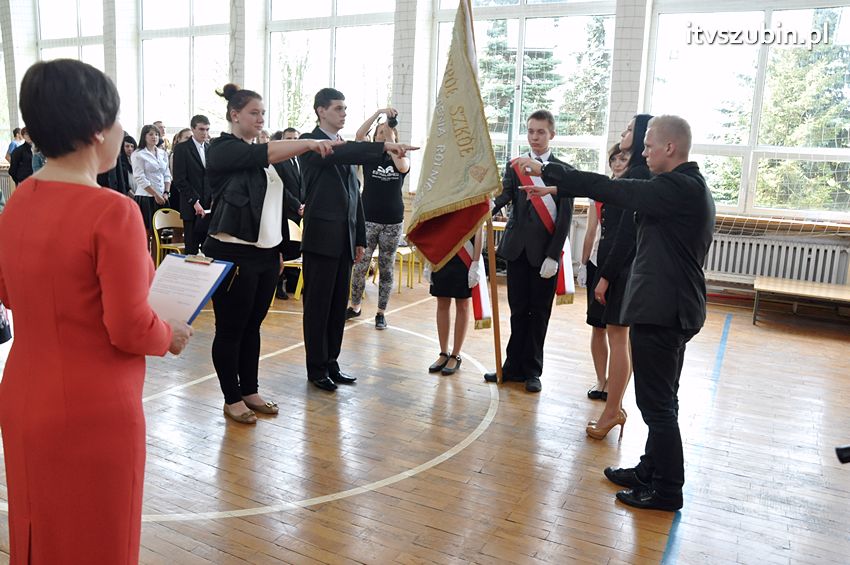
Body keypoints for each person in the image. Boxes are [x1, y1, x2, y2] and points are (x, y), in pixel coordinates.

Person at [0, 59, 192, 565]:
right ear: (96, 129)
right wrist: (167, 334)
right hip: (92, 406)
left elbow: (11, 294)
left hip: (24, 392)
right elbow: (128, 326)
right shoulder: (113, 210)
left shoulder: (19, 201)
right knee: (99, 539)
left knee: (38, 533)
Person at [517, 115, 716, 512]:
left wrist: (550, 170)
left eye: (648, 145)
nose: (641, 150)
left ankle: (667, 489)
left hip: (665, 309)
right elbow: (616, 193)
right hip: (667, 307)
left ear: (670, 148)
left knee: (657, 404)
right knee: (662, 400)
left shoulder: (678, 187)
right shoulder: (684, 187)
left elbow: (612, 189)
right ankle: (650, 470)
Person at [202, 83, 342, 422]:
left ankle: (249, 389)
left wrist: (278, 248)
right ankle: (231, 397)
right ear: (234, 115)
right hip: (233, 254)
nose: (260, 118)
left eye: (263, 113)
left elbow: (277, 204)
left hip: (265, 254)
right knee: (231, 329)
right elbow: (258, 156)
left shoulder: (265, 155)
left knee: (253, 327)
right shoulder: (222, 149)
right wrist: (309, 142)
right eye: (253, 113)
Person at [299, 87, 416, 392]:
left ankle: (332, 362)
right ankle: (316, 368)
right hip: (321, 238)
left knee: (338, 306)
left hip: (345, 238)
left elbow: (355, 197)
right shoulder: (308, 141)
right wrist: (385, 148)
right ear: (321, 111)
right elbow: (344, 151)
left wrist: (360, 237)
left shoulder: (343, 145)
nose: (344, 113)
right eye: (338, 108)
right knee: (318, 307)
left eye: (345, 108)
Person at [482, 110, 573, 393]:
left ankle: (533, 370)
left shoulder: (563, 171)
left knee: (539, 313)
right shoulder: (516, 165)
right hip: (517, 251)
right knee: (518, 311)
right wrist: (488, 206)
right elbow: (506, 194)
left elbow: (565, 218)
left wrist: (552, 254)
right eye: (531, 131)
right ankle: (512, 366)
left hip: (544, 253)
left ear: (552, 135)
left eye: (541, 132)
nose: (535, 137)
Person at [584, 114, 652, 440]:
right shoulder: (637, 173)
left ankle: (612, 411)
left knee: (619, 339)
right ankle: (614, 407)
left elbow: (624, 235)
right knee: (617, 337)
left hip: (622, 269)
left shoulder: (638, 175)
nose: (623, 133)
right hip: (621, 267)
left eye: (628, 129)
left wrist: (605, 276)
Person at [346, 107, 410, 329]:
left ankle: (381, 312)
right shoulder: (369, 155)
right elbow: (359, 135)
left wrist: (391, 135)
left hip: (393, 221)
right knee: (360, 265)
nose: (383, 135)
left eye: (386, 132)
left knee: (386, 268)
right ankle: (355, 306)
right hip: (368, 218)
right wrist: (379, 113)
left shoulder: (402, 158)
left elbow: (401, 166)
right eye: (380, 132)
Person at [581, 144, 629, 403]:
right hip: (597, 264)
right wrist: (583, 263)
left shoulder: (634, 192)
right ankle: (601, 379)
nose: (618, 163)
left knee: (618, 331)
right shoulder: (599, 193)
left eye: (623, 159)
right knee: (597, 326)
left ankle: (616, 386)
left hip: (620, 269)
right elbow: (591, 231)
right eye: (614, 159)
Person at [426, 230, 483, 376]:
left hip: (465, 256)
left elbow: (478, 230)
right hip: (442, 253)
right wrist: (428, 258)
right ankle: (443, 352)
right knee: (442, 302)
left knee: (462, 304)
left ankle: (455, 355)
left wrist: (476, 262)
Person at [271, 127, 304, 299]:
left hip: (300, 210)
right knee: (284, 248)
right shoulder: (279, 160)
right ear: (283, 140)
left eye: (295, 138)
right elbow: (281, 188)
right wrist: (297, 204)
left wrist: (305, 204)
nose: (292, 141)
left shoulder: (301, 159)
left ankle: (293, 282)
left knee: (296, 248)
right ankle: (278, 284)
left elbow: (303, 185)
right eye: (289, 138)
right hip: (285, 209)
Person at [171, 115, 211, 255]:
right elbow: (179, 180)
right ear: (193, 129)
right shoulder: (182, 149)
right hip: (190, 206)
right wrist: (194, 201)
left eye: (207, 129)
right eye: (201, 129)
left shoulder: (209, 148)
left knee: (209, 249)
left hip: (208, 206)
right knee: (192, 249)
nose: (204, 133)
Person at [131, 124, 171, 243]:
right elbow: (139, 177)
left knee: (160, 234)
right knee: (147, 232)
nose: (155, 137)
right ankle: (146, 260)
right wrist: (155, 194)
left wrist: (166, 192)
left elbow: (167, 174)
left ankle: (158, 259)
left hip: (162, 196)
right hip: (146, 196)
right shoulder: (138, 154)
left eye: (157, 134)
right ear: (144, 136)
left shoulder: (162, 153)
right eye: (151, 134)